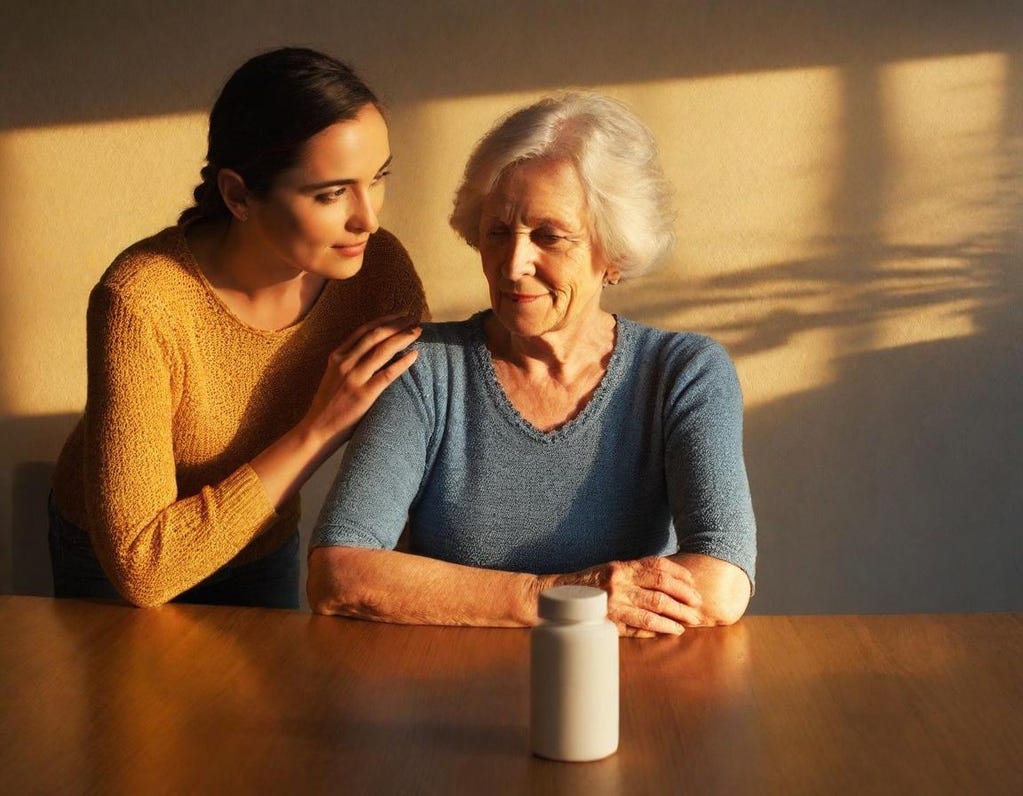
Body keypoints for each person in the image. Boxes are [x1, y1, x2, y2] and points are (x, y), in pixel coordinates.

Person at [308, 93, 756, 636]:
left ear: (612, 252)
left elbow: (722, 581)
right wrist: (560, 596)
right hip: (442, 684)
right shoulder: (424, 369)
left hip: (619, 690)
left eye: (549, 236)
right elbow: (338, 574)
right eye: (498, 232)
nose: (514, 264)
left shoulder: (682, 372)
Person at [48, 47, 427, 609]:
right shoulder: (141, 301)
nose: (367, 218)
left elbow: (421, 435)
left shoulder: (379, 272)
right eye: (331, 193)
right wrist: (316, 431)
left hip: (258, 545)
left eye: (378, 179)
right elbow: (142, 568)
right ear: (238, 195)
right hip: (114, 562)